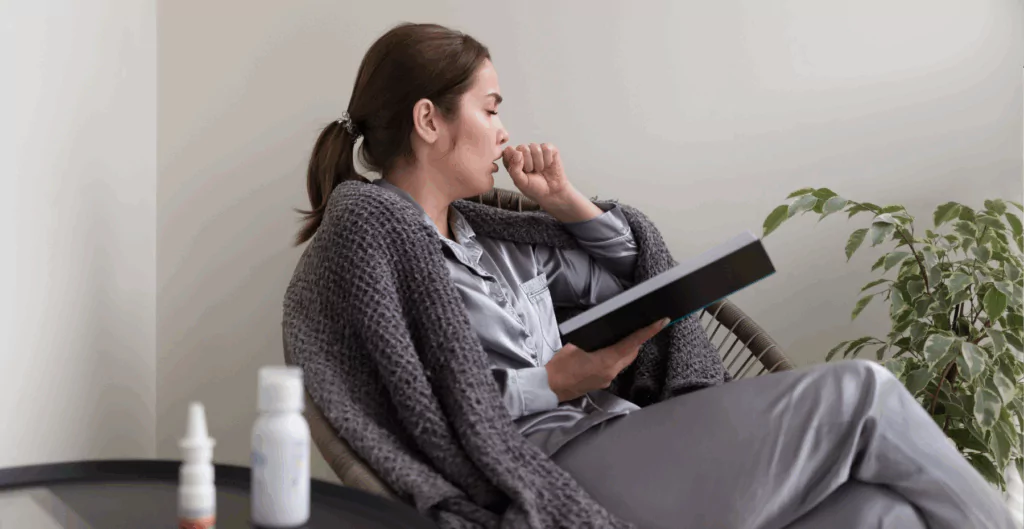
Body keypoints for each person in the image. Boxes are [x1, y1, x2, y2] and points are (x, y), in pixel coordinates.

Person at [290, 22, 1015, 529]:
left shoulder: (495, 238)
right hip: (554, 466)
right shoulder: (367, 232)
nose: (504, 130)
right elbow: (423, 418)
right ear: (428, 119)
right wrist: (557, 382)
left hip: (627, 435)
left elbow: (624, 277)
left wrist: (566, 204)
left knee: (882, 515)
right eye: (490, 108)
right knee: (865, 392)